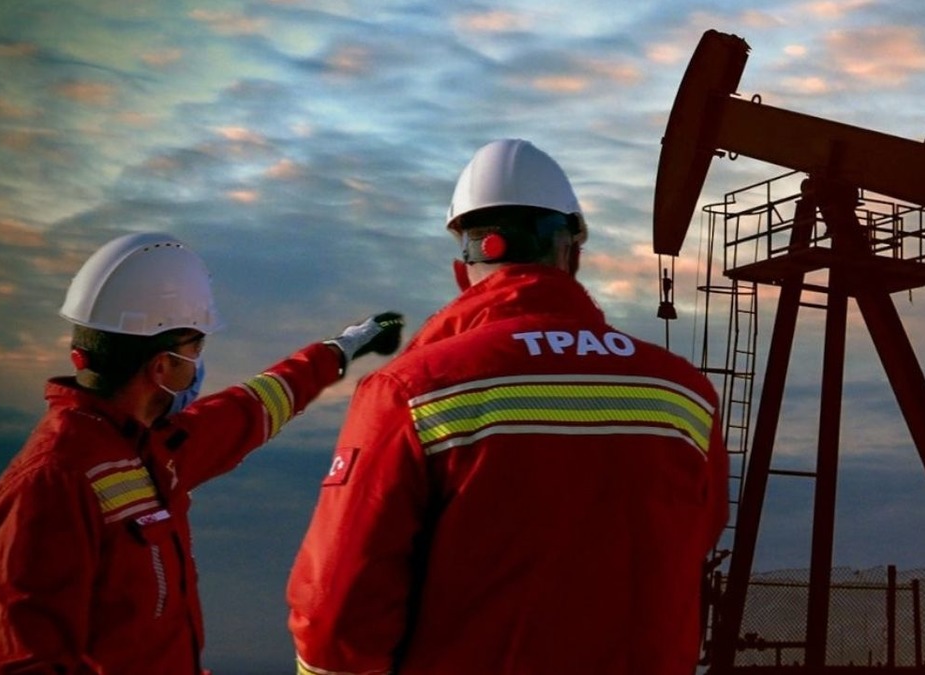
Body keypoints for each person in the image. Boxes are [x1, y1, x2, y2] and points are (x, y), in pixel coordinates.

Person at [287, 138, 729, 675]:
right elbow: (695, 537)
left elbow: (336, 617)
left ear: (464, 265)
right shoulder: (684, 394)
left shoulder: (408, 391)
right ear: (572, 254)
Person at [0, 232, 404, 674]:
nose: (199, 362)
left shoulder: (151, 451)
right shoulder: (50, 483)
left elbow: (252, 408)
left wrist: (341, 348)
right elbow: (21, 660)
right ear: (161, 365)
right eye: (196, 347)